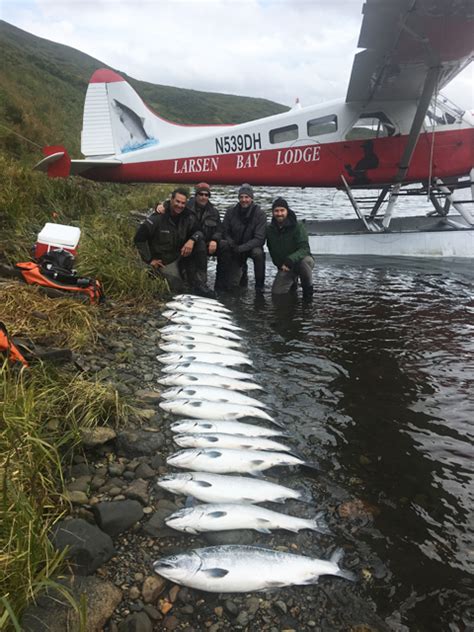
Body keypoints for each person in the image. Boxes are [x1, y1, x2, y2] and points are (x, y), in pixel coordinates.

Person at [134, 187, 215, 298]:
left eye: (183, 203)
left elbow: (199, 231)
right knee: (178, 288)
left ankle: (201, 283)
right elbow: (139, 238)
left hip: (179, 255)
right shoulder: (157, 218)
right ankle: (156, 274)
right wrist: (149, 260)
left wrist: (192, 240)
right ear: (171, 200)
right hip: (164, 260)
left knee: (199, 243)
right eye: (177, 201)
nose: (180, 205)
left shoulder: (188, 216)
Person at [215, 183, 266, 293]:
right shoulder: (230, 212)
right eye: (241, 197)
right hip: (234, 246)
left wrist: (241, 248)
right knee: (223, 244)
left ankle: (259, 286)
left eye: (246, 197)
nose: (244, 200)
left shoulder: (260, 214)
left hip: (250, 247)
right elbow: (225, 231)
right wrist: (231, 243)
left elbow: (259, 239)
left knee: (258, 253)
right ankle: (220, 283)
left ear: (251, 198)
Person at [266, 197, 314, 301]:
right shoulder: (269, 229)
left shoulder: (298, 226)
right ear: (273, 213)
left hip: (300, 261)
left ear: (287, 211)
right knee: (277, 294)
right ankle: (293, 284)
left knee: (304, 263)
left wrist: (290, 260)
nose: (279, 214)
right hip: (285, 266)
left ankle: (308, 293)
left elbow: (305, 249)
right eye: (276, 211)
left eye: (282, 210)